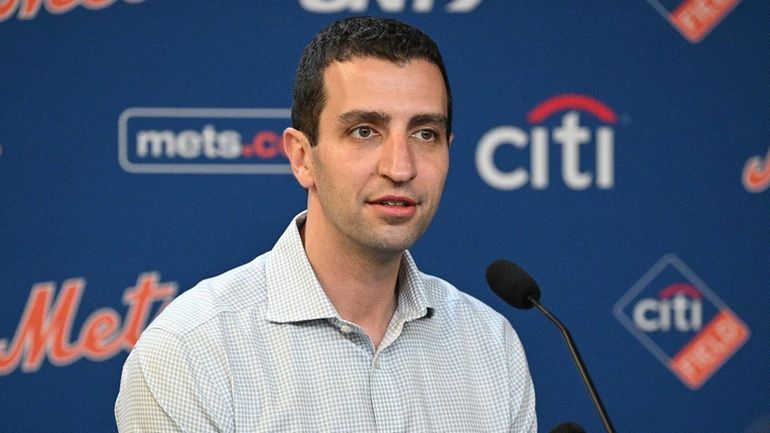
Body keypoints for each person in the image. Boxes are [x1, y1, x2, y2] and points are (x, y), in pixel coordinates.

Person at [115, 16, 536, 432]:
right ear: (302, 157)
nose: (400, 167)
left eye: (425, 134)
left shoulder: (490, 345)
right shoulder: (191, 350)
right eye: (364, 131)